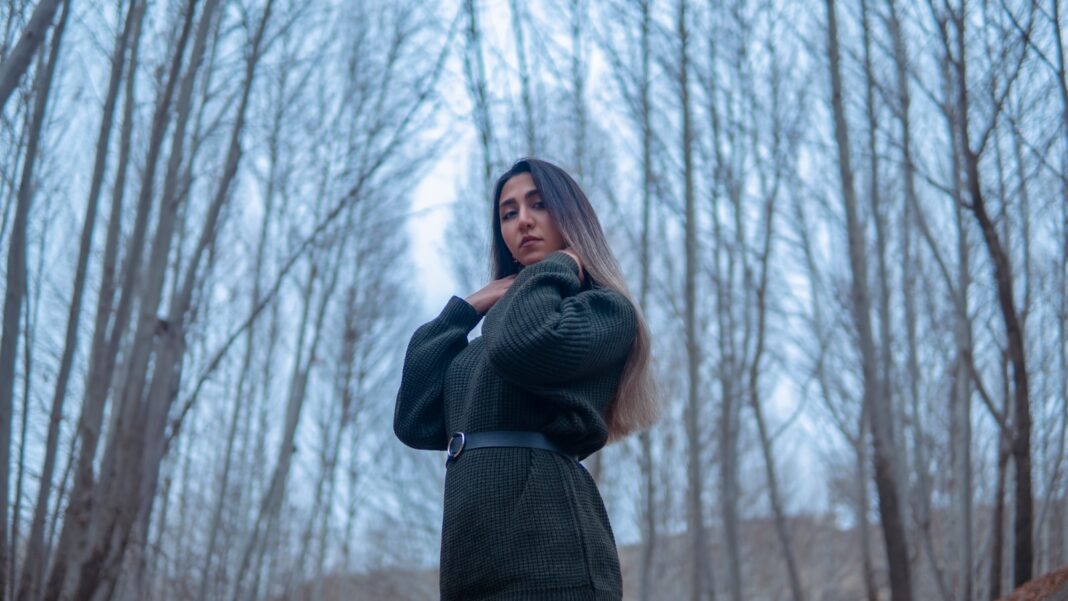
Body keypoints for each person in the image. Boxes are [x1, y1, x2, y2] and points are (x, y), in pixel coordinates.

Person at [394, 157, 659, 600]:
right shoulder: (490, 340)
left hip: (552, 557)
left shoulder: (604, 312)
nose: (524, 221)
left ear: (570, 218)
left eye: (539, 205)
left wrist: (551, 268)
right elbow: (414, 419)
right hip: (470, 560)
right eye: (509, 213)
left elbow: (523, 345)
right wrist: (467, 307)